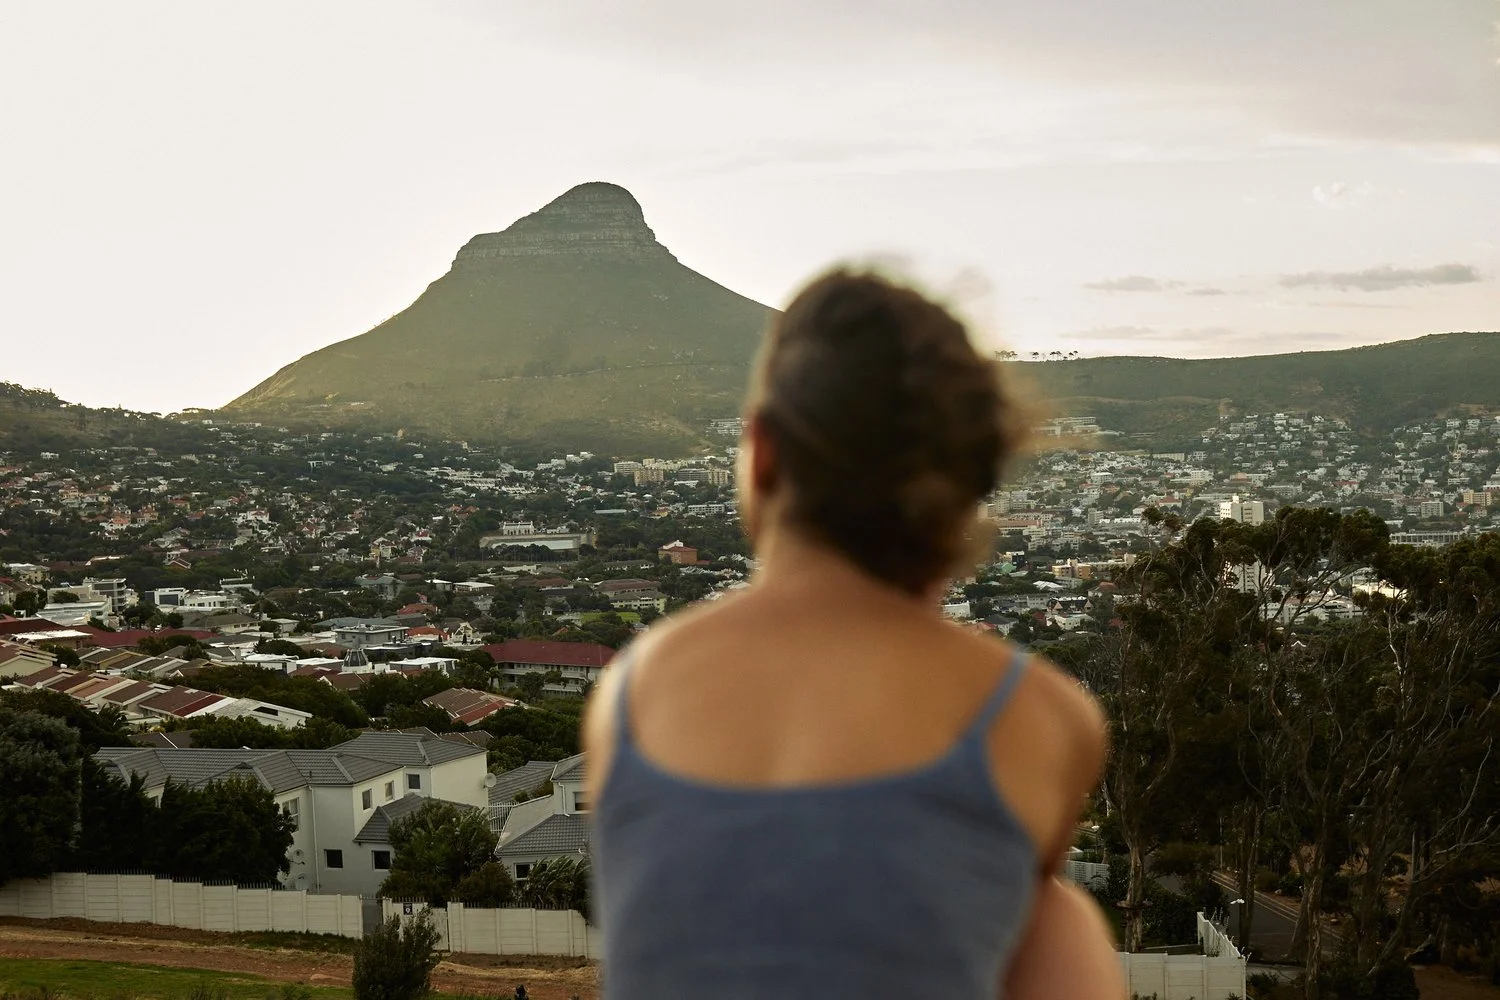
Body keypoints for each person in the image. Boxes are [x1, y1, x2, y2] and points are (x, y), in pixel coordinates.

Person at [584, 268, 1124, 998]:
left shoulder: (634, 691)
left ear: (764, 453)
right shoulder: (1036, 716)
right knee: (1055, 912)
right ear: (972, 488)